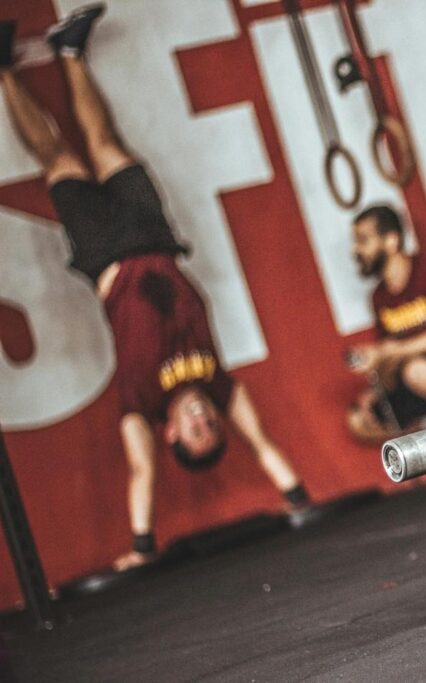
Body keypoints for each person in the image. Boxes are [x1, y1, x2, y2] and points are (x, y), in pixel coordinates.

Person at [0, 5, 316, 572]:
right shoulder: (218, 386)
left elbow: (141, 471)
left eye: (195, 431)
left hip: (107, 252)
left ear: (170, 434)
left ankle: (3, 70)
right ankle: (69, 52)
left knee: (58, 156)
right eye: (212, 426)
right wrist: (300, 502)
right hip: (154, 236)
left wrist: (142, 549)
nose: (203, 419)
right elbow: (264, 444)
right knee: (106, 141)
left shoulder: (140, 407)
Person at [346, 205, 426, 442]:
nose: (356, 250)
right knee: (358, 420)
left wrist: (392, 351)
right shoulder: (379, 297)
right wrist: (376, 380)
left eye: (363, 240)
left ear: (391, 240)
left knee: (417, 372)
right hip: (417, 383)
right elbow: (390, 367)